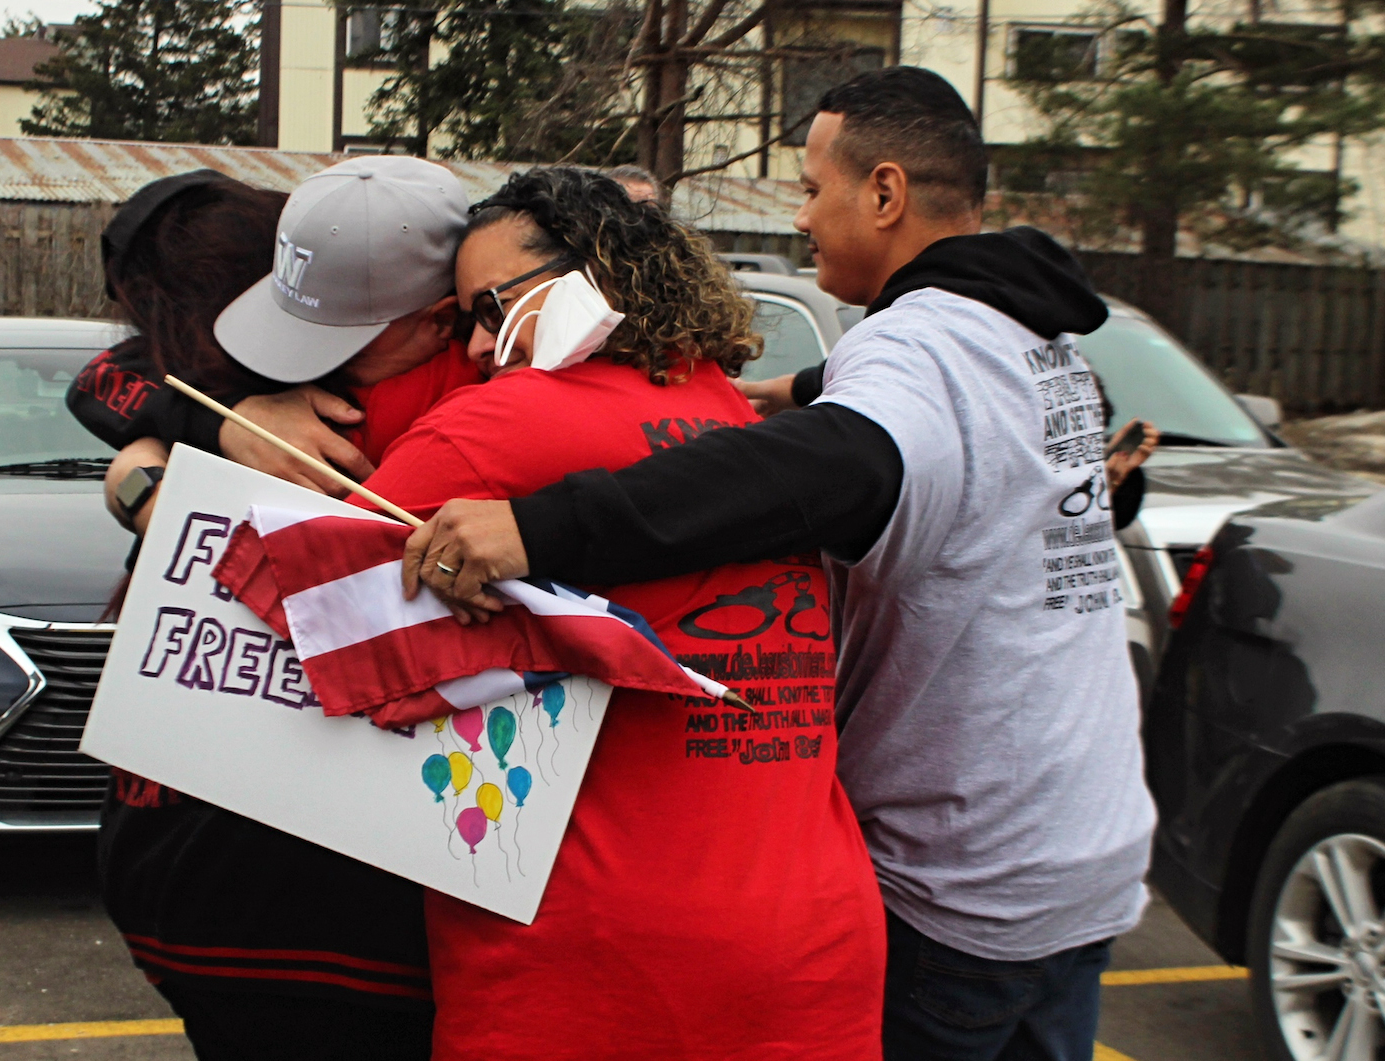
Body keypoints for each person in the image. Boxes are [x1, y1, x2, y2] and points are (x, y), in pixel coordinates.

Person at [400, 68, 1158, 1061]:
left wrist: (539, 528)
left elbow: (838, 463)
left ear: (882, 194)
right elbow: (1003, 472)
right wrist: (791, 386)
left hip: (957, 876)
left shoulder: (915, 346)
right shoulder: (1038, 335)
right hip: (1083, 854)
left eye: (809, 187)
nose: (799, 215)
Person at [346, 167, 886, 1060]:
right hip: (815, 943)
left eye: (492, 309)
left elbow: (297, 602)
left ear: (585, 276)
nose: (478, 347)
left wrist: (161, 458)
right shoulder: (728, 411)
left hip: (595, 959)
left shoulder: (496, 422)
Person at [82, 157, 477, 1061]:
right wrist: (211, 430)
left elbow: (109, 381)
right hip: (292, 895)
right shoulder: (242, 399)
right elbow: (106, 377)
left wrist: (160, 465)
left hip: (264, 891)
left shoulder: (470, 398)